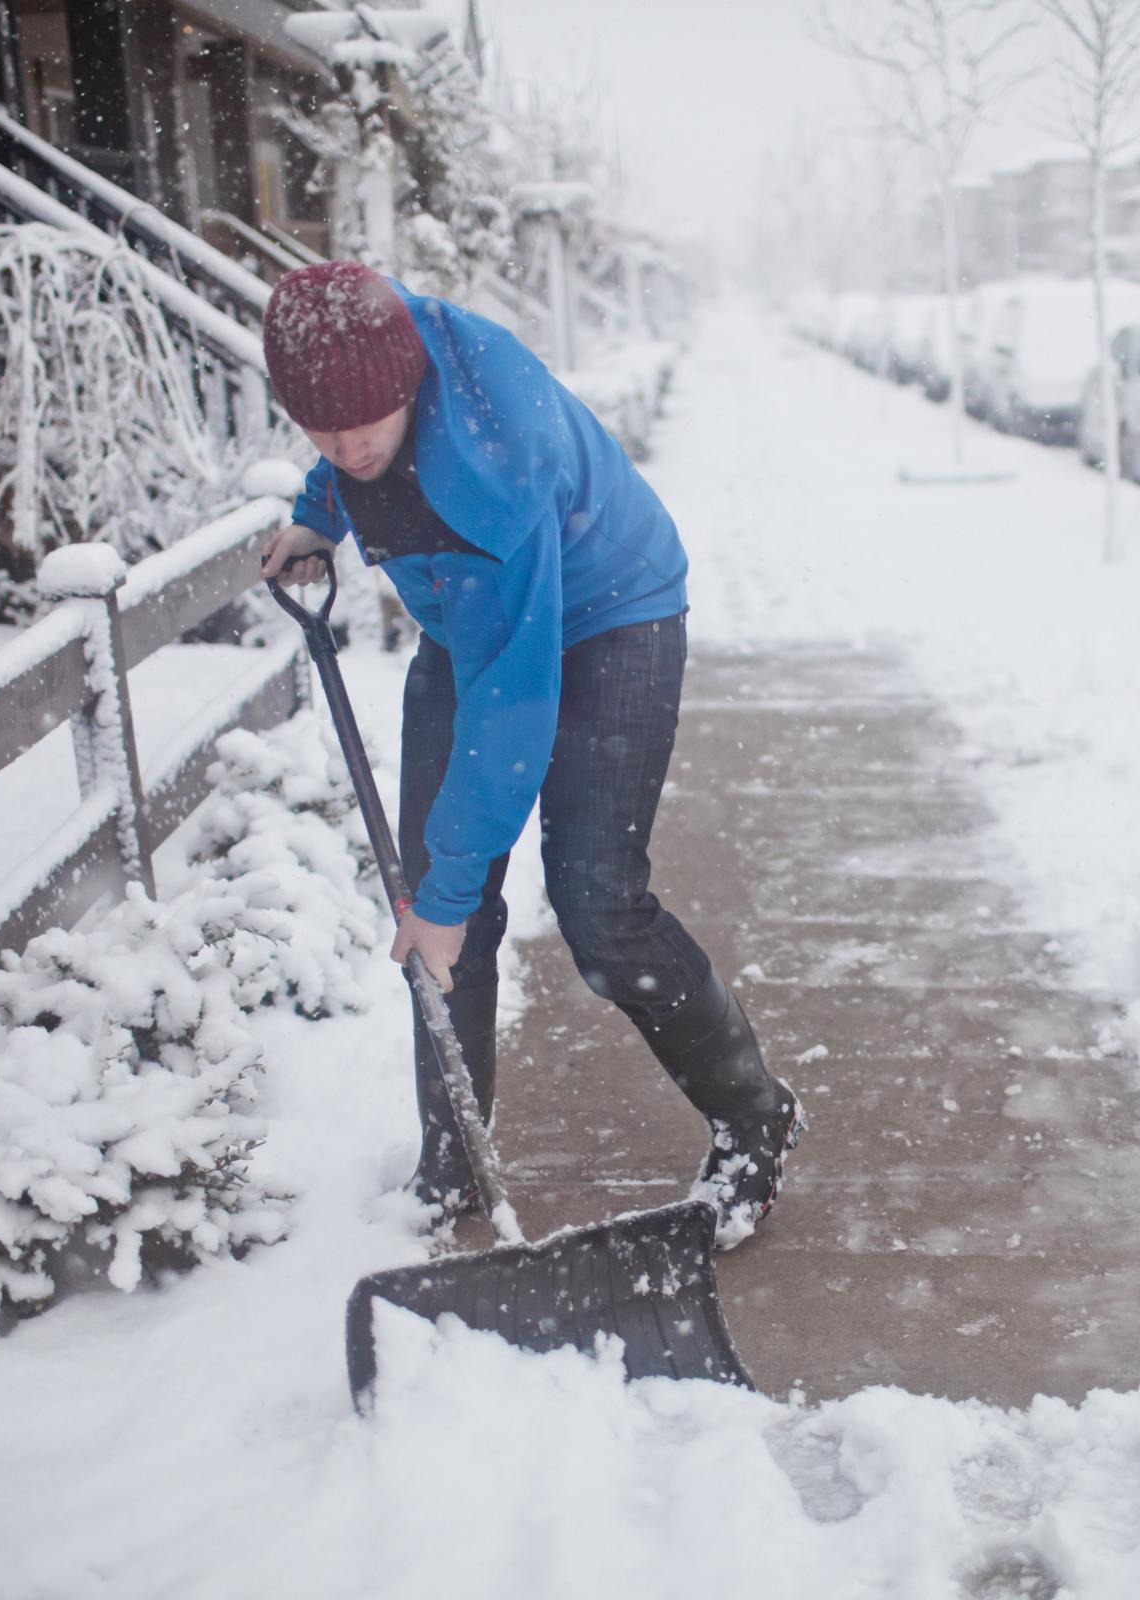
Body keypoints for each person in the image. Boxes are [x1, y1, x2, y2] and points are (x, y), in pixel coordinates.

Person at [255, 262, 803, 1248]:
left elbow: (515, 709)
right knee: (430, 903)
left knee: (597, 905)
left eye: (366, 422)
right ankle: (452, 1158)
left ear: (409, 381)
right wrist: (318, 508)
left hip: (610, 613)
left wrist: (453, 893)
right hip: (476, 620)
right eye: (319, 430)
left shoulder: (491, 468)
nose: (346, 444)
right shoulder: (364, 352)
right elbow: (347, 450)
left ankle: (755, 1119)